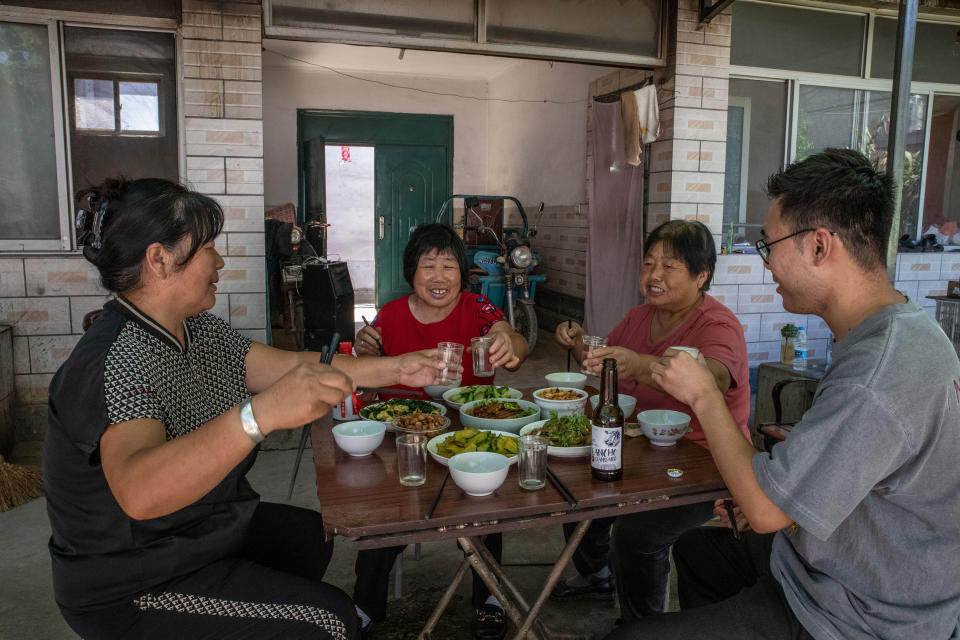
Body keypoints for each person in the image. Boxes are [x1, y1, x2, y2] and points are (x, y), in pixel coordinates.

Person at [44, 178, 447, 640]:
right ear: (158, 259)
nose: (219, 260)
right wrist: (260, 415)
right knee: (331, 622)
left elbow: (293, 367)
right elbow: (140, 491)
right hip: (135, 575)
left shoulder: (197, 330)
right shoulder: (115, 358)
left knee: (309, 536)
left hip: (195, 528)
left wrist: (400, 368)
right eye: (207, 248)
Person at [608, 148, 960, 640]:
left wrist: (704, 395)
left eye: (769, 245)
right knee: (699, 551)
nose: (766, 262)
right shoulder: (893, 333)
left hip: (860, 613)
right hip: (835, 557)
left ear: (819, 246)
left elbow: (767, 511)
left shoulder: (877, 370)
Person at [552, 220, 750, 620]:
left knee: (637, 535)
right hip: (643, 448)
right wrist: (577, 341)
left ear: (702, 275)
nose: (654, 275)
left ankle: (641, 623)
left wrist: (640, 365)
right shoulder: (639, 317)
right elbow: (605, 361)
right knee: (571, 484)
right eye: (648, 264)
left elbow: (712, 377)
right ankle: (597, 573)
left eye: (670, 266)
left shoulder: (718, 325)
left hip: (705, 462)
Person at [354, 223, 529, 640]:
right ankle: (363, 607)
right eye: (427, 265)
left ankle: (488, 598)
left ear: (462, 273)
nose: (438, 276)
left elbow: (511, 337)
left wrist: (509, 342)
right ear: (410, 270)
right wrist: (363, 346)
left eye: (448, 266)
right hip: (403, 437)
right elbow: (366, 357)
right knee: (382, 517)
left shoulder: (477, 308)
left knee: (486, 509)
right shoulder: (391, 314)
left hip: (466, 437)